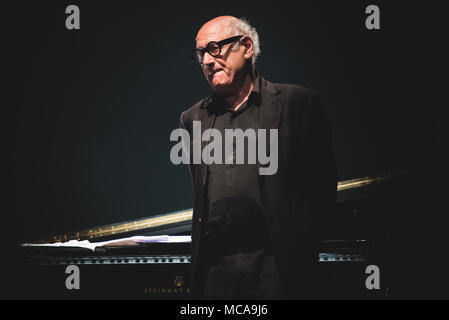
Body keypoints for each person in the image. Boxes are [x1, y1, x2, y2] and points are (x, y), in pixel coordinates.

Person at [179, 16, 337, 299]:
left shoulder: (298, 103)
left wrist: (299, 243)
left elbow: (323, 190)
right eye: (200, 53)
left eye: (214, 48)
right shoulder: (192, 119)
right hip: (216, 271)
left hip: (278, 267)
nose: (206, 60)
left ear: (247, 47)